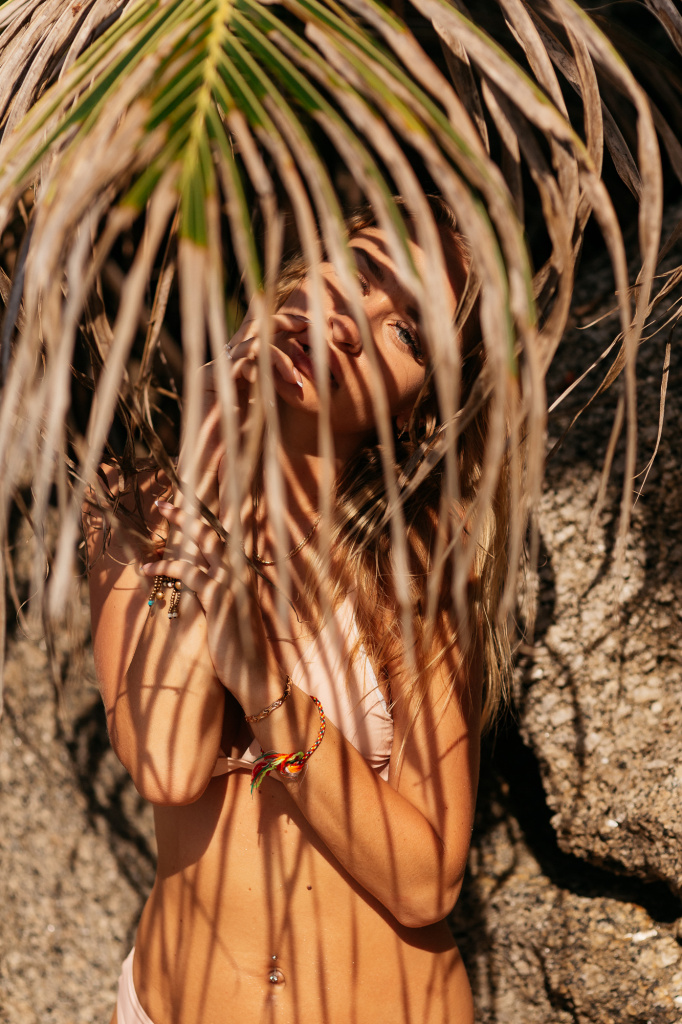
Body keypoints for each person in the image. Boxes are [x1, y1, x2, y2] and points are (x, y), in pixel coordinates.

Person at [84, 197, 510, 1024]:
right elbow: (167, 763)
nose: (349, 325)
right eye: (355, 273)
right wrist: (208, 478)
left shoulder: (412, 559)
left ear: (419, 408)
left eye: (406, 333)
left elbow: (428, 881)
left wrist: (265, 690)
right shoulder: (133, 509)